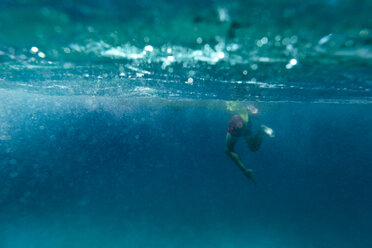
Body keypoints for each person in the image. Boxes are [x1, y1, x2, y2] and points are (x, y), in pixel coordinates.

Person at [225, 103, 274, 183]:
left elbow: (230, 110)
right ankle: (262, 130)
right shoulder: (246, 102)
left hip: (237, 124)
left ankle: (245, 170)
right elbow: (253, 111)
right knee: (254, 147)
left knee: (228, 150)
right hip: (246, 124)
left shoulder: (233, 102)